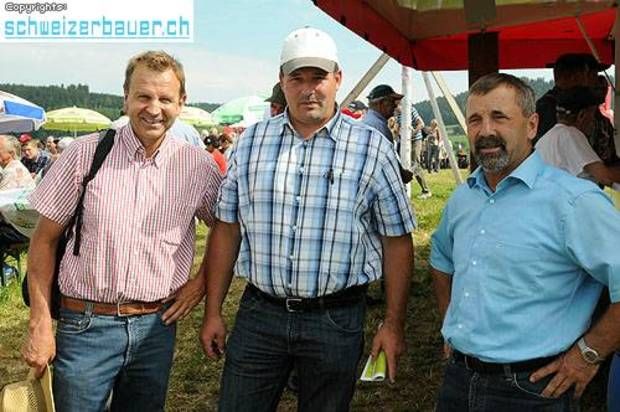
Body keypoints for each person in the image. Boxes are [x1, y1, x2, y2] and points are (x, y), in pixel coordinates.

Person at [200, 27, 415, 412]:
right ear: (282, 81)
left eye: (318, 77)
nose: (308, 89)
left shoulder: (371, 147)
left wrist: (393, 324)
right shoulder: (251, 143)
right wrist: (213, 311)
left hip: (335, 319)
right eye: (296, 78)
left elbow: (397, 240)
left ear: (338, 78)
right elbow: (227, 229)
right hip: (260, 314)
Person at [21, 50, 223, 412]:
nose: (154, 108)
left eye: (165, 99)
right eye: (143, 96)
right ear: (126, 97)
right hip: (85, 326)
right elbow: (44, 240)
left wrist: (201, 283)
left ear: (181, 103)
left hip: (156, 327)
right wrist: (39, 322)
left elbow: (226, 231)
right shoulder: (84, 154)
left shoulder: (198, 167)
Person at [431, 73, 620, 411]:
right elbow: (441, 258)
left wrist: (588, 353)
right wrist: (451, 323)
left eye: (499, 117)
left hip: (534, 388)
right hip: (459, 379)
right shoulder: (463, 197)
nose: (485, 131)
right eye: (475, 120)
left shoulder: (573, 202)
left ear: (532, 125)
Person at [536, 86, 620, 187]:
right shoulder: (570, 134)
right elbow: (605, 177)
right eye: (593, 115)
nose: (594, 122)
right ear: (582, 115)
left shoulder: (547, 138)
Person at [535, 53, 608, 141]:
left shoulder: (583, 103)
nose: (593, 81)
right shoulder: (548, 106)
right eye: (587, 75)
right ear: (575, 77)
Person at [363, 84, 413, 184]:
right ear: (381, 103)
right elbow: (388, 159)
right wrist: (402, 174)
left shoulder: (370, 121)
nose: (395, 105)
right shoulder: (378, 126)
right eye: (392, 101)